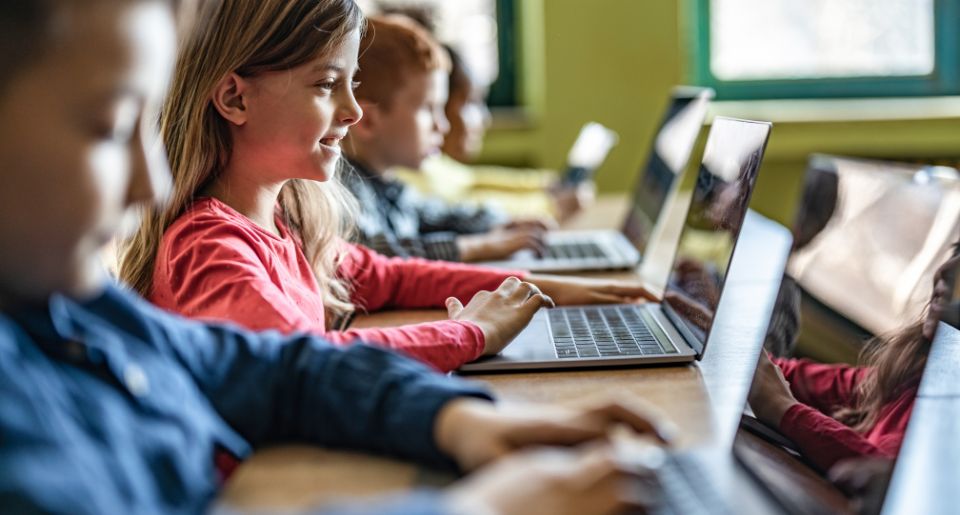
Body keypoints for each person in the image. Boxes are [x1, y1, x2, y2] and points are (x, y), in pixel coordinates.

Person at [0, 0, 672, 513]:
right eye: (113, 126)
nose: (154, 182)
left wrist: (458, 417)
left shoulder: (77, 310)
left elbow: (285, 368)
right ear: (232, 96)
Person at [118, 2, 653, 373]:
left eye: (351, 83)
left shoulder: (283, 221)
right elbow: (303, 363)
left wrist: (537, 288)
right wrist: (470, 333)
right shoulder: (209, 247)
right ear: (235, 99)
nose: (352, 111)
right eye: (328, 85)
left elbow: (387, 276)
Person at [342, 14, 551, 262]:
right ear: (367, 121)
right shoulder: (343, 193)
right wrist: (479, 247)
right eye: (428, 109)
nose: (443, 125)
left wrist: (501, 223)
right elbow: (376, 256)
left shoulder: (390, 186)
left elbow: (439, 215)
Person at [747, 246, 960, 472]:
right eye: (956, 253)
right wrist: (738, 347)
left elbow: (892, 479)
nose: (946, 269)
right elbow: (788, 376)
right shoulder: (912, 374)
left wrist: (782, 408)